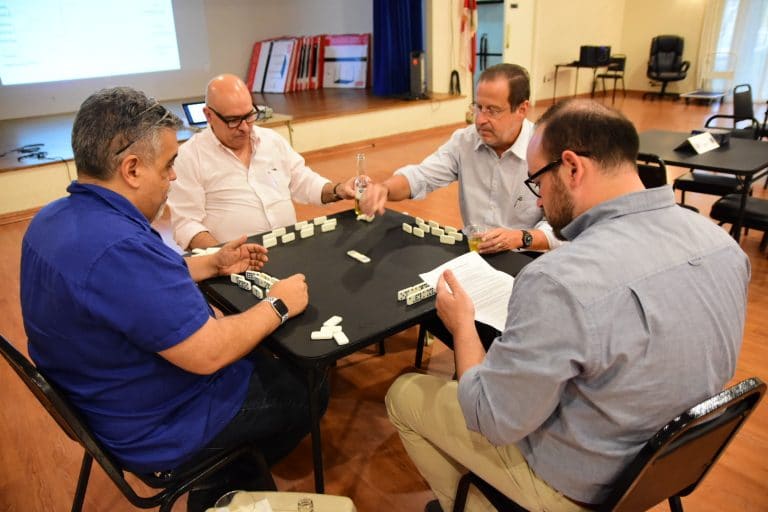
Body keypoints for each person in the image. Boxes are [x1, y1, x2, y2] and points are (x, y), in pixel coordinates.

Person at [385, 99, 749, 512]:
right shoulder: (724, 246)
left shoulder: (557, 281)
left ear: (573, 168)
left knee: (405, 393)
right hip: (665, 465)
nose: (539, 202)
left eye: (537, 182)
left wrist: (462, 326)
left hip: (582, 486)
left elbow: (491, 419)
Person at [20, 86, 326, 510]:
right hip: (157, 424)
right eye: (167, 166)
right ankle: (221, 474)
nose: (174, 177)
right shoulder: (119, 249)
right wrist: (278, 304)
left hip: (96, 401)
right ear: (131, 169)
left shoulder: (52, 219)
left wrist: (211, 262)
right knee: (310, 382)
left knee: (262, 352)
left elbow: (130, 288)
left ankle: (230, 465)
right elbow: (208, 353)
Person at [361, 63, 562, 254]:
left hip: (524, 255)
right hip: (473, 250)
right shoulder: (464, 141)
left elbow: (562, 230)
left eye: (493, 110)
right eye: (478, 107)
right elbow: (421, 177)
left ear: (522, 109)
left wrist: (521, 237)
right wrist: (385, 188)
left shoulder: (546, 149)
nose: (480, 120)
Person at [167, 73, 358, 250]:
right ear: (209, 115)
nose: (245, 127)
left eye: (249, 116)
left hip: (290, 248)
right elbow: (186, 224)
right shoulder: (189, 157)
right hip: (233, 263)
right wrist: (223, 257)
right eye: (233, 120)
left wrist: (338, 190)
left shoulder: (271, 140)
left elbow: (303, 181)